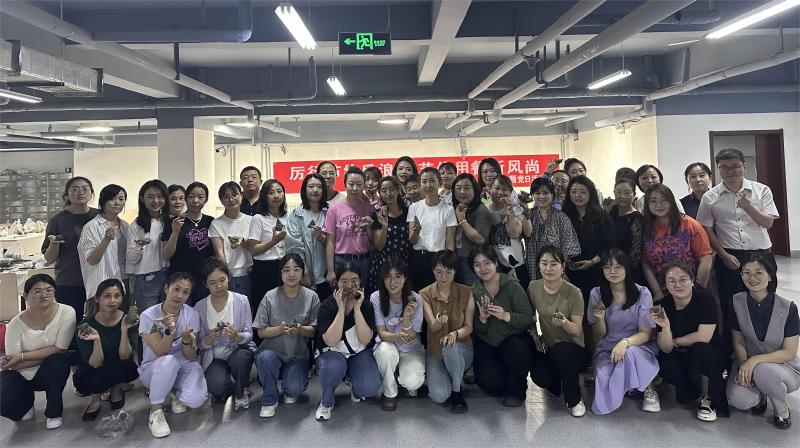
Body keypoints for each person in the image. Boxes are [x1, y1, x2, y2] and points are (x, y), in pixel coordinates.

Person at [697, 148, 780, 340]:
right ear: (718, 169)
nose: (730, 171)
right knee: (731, 303)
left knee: (765, 299)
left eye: (735, 166)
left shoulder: (761, 190)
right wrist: (723, 255)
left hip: (761, 254)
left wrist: (748, 206)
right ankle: (734, 348)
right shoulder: (710, 197)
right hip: (730, 256)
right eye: (724, 167)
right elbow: (706, 229)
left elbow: (768, 222)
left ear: (744, 166)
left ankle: (767, 342)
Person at [727, 256, 799, 430]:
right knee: (739, 400)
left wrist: (753, 361)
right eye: (746, 273)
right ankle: (762, 395)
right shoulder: (735, 301)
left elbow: (789, 352)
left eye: (759, 272)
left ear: (770, 276)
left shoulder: (788, 307)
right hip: (746, 362)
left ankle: (781, 409)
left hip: (782, 368)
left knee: (764, 370)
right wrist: (744, 364)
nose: (752, 278)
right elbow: (738, 340)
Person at [653, 263, 729, 422]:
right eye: (672, 281)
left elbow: (704, 337)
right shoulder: (662, 306)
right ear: (665, 285)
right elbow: (666, 348)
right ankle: (691, 389)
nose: (678, 285)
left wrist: (676, 340)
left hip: (707, 349)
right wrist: (666, 328)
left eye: (683, 279)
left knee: (702, 350)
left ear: (692, 280)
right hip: (680, 352)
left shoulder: (705, 299)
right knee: (666, 363)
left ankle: (707, 398)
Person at [587, 249, 659, 415]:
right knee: (604, 380)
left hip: (637, 346)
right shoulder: (596, 293)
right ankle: (631, 385)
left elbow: (645, 333)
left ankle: (649, 387)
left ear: (627, 268)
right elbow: (598, 335)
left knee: (630, 353)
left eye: (618, 267)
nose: (613, 271)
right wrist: (599, 319)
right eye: (607, 267)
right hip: (607, 349)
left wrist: (625, 343)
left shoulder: (642, 293)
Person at [0, 274, 75, 429]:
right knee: (4, 399)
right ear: (26, 296)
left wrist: (22, 357)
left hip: (50, 369)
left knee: (58, 363)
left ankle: (54, 412)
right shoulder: (15, 324)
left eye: (49, 290)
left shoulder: (67, 313)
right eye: (37, 291)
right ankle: (26, 405)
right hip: (21, 373)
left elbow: (61, 348)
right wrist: (19, 360)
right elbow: (12, 363)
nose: (44, 294)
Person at [138, 272, 207, 438]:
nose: (180, 295)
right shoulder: (149, 316)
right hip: (155, 368)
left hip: (184, 364)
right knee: (168, 362)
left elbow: (190, 356)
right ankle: (155, 412)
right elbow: (160, 352)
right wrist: (170, 331)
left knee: (195, 400)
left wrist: (186, 341)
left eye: (185, 292)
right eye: (176, 289)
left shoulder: (192, 314)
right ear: (166, 288)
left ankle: (173, 391)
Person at [252, 254, 320, 418]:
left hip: (297, 354)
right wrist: (280, 329)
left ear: (302, 272)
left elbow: (314, 330)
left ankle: (290, 386)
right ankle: (269, 399)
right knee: (265, 359)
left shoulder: (311, 296)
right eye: (286, 270)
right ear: (280, 273)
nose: (291, 274)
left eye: (296, 269)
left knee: (294, 389)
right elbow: (261, 331)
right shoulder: (270, 296)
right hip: (271, 351)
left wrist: (300, 329)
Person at [313, 261, 381, 421]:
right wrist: (341, 309)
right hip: (332, 353)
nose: (349, 286)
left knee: (370, 387)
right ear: (336, 283)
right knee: (332, 368)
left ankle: (352, 380)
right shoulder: (327, 306)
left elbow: (365, 339)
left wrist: (357, 309)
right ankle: (326, 402)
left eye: (354, 281)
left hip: (357, 352)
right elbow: (331, 341)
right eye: (344, 281)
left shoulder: (366, 305)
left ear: (360, 282)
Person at [470, 245, 534, 407]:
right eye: (477, 265)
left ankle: (517, 391)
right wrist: (483, 319)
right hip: (488, 344)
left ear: (496, 263)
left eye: (487, 263)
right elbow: (476, 329)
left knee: (517, 349)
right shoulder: (473, 291)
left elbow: (527, 317)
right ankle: (505, 377)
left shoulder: (512, 285)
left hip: (513, 340)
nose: (483, 268)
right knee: (489, 383)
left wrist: (506, 316)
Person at [527, 246, 587, 417]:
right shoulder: (533, 287)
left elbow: (576, 330)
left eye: (554, 264)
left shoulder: (574, 293)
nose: (549, 268)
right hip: (549, 346)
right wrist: (536, 339)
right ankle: (558, 382)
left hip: (573, 348)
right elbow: (530, 318)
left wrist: (564, 323)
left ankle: (574, 399)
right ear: (538, 266)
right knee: (541, 377)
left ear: (562, 267)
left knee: (562, 351)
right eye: (544, 263)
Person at [73, 279, 139, 421]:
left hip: (118, 365)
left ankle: (116, 389)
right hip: (94, 369)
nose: (112, 300)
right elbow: (96, 363)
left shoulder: (129, 320)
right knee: (88, 378)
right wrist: (97, 340)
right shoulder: (86, 325)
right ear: (97, 298)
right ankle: (95, 398)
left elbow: (124, 356)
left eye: (117, 296)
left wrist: (124, 330)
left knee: (127, 366)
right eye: (107, 296)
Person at [195, 259, 255, 408]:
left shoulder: (242, 301)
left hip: (238, 351)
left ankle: (241, 391)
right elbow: (198, 344)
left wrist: (237, 336)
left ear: (229, 277)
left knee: (241, 358)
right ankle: (233, 382)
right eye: (212, 283)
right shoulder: (199, 307)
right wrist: (209, 339)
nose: (219, 286)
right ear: (205, 285)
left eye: (222, 280)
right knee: (217, 389)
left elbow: (249, 334)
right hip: (214, 357)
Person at [420, 250, 474, 412]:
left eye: (448, 272)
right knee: (439, 395)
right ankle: (453, 378)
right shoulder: (424, 294)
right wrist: (437, 322)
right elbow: (433, 326)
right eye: (439, 271)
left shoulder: (466, 292)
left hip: (461, 349)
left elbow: (469, 327)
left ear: (455, 271)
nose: (443, 276)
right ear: (433, 271)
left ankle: (457, 391)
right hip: (436, 351)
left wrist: (454, 334)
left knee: (451, 347)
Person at [371, 257, 425, 411]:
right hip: (389, 345)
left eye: (398, 276)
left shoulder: (416, 299)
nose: (393, 282)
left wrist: (406, 318)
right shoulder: (376, 297)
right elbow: (382, 334)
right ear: (383, 279)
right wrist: (398, 335)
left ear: (405, 278)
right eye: (388, 277)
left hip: (411, 349)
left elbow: (411, 339)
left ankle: (398, 374)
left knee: (413, 383)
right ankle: (389, 392)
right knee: (385, 351)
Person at [41, 176, 99, 321]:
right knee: (70, 323)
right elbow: (49, 258)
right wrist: (54, 244)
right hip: (69, 280)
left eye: (85, 188)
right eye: (75, 189)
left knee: (98, 322)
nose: (81, 192)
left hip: (97, 279)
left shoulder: (99, 216)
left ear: (91, 193)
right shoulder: (58, 220)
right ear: (67, 194)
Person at [641, 184, 713, 301]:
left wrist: (697, 289)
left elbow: (705, 258)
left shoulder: (689, 224)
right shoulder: (646, 228)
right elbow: (646, 264)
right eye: (653, 201)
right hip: (663, 292)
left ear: (671, 201)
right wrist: (658, 292)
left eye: (664, 200)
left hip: (690, 290)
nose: (659, 205)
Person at [562, 175, 615, 311]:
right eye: (574, 192)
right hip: (570, 271)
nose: (578, 195)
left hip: (596, 270)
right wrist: (564, 259)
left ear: (590, 194)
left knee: (594, 310)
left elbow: (608, 245)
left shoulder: (601, 216)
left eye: (582, 192)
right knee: (573, 310)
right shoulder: (564, 215)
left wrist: (592, 261)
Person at [162, 182, 214, 305]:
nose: (195, 201)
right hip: (180, 280)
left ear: (206, 199)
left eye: (200, 197)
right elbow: (166, 255)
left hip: (203, 279)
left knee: (203, 312)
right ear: (186, 198)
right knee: (180, 312)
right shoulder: (174, 222)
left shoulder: (210, 221)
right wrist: (175, 232)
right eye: (191, 196)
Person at [324, 167, 374, 292]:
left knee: (362, 296)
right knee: (342, 296)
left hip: (363, 261)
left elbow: (374, 240)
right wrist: (330, 270)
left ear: (364, 186)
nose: (355, 188)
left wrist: (369, 228)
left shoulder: (369, 209)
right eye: (351, 184)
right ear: (345, 184)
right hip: (341, 260)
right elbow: (330, 242)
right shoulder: (334, 209)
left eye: (359, 184)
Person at [407, 167, 457, 291]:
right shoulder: (414, 208)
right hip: (419, 259)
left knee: (440, 295)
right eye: (424, 181)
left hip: (440, 260)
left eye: (432, 181)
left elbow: (450, 242)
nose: (428, 185)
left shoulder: (448, 209)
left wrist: (449, 264)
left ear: (439, 183)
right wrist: (416, 231)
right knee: (419, 296)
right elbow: (412, 240)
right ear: (420, 184)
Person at [78, 184, 129, 303]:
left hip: (123, 282)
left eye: (121, 199)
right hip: (101, 285)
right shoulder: (91, 227)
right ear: (103, 202)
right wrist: (106, 239)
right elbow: (92, 260)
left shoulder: (125, 225)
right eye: (112, 199)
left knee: (122, 315)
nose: (117, 203)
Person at [524, 177, 580, 281]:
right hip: (532, 267)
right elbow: (527, 234)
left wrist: (561, 269)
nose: (541, 196)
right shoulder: (528, 214)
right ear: (532, 195)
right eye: (537, 193)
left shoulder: (562, 217)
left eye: (546, 193)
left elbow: (568, 247)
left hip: (555, 269)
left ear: (553, 195)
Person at [286, 173, 332, 301]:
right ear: (304, 190)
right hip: (305, 276)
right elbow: (294, 247)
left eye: (319, 187)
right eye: (311, 186)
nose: (315, 190)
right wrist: (304, 271)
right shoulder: (296, 215)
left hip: (327, 274)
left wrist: (321, 238)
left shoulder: (330, 212)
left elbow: (336, 243)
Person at [248, 179, 288, 316]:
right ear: (264, 196)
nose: (276, 196)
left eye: (279, 191)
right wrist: (273, 241)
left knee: (283, 309)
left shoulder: (288, 217)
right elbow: (253, 250)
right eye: (271, 193)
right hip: (264, 269)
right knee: (263, 310)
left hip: (285, 268)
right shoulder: (258, 218)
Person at [127, 180, 169, 310]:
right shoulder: (136, 225)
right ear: (142, 199)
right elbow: (131, 259)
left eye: (160, 196)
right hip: (147, 278)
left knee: (168, 316)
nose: (155, 201)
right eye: (150, 197)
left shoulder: (169, 221)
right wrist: (139, 246)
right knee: (149, 318)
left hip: (169, 276)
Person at [368, 176, 412, 293]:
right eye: (384, 190)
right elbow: (379, 246)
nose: (388, 193)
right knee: (384, 296)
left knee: (405, 295)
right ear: (379, 193)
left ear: (398, 190)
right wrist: (384, 226)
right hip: (384, 263)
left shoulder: (409, 212)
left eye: (392, 189)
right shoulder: (377, 214)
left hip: (405, 262)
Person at [209, 182, 253, 297]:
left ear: (241, 196)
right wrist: (225, 276)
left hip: (248, 274)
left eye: (234, 195)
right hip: (227, 276)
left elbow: (255, 249)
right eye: (226, 196)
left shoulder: (251, 221)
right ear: (221, 200)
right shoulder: (216, 224)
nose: (231, 199)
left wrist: (243, 241)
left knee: (246, 307)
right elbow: (219, 255)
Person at [451, 173, 497, 285]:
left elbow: (480, 239)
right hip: (456, 260)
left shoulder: (481, 210)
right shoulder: (454, 208)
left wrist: (462, 221)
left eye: (467, 188)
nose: (462, 192)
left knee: (473, 292)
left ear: (475, 190)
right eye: (458, 188)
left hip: (472, 261)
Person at [485, 175, 530, 287]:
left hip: (517, 264)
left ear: (510, 192)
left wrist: (509, 211)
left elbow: (514, 234)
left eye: (505, 189)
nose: (500, 192)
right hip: (495, 265)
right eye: (497, 188)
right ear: (491, 189)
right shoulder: (485, 210)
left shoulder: (516, 208)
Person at [609, 178, 644, 283]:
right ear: (614, 193)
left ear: (634, 195)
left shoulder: (637, 218)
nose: (623, 196)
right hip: (609, 267)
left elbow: (636, 254)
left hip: (629, 271)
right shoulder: (612, 212)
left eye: (627, 193)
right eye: (619, 192)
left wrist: (623, 271)